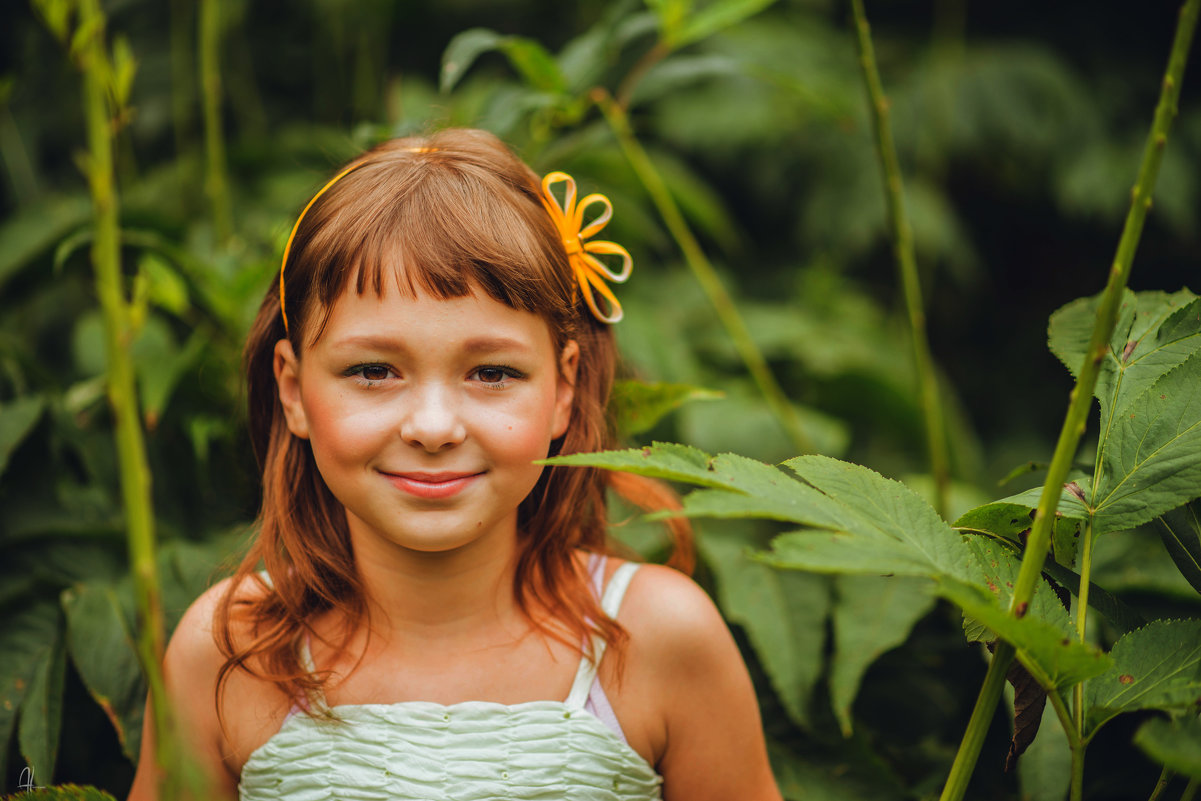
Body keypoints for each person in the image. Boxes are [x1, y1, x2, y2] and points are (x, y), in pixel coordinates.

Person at [127, 128, 781, 801]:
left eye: (492, 372)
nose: (434, 427)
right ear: (293, 389)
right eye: (373, 371)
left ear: (562, 389)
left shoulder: (661, 640)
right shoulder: (226, 653)